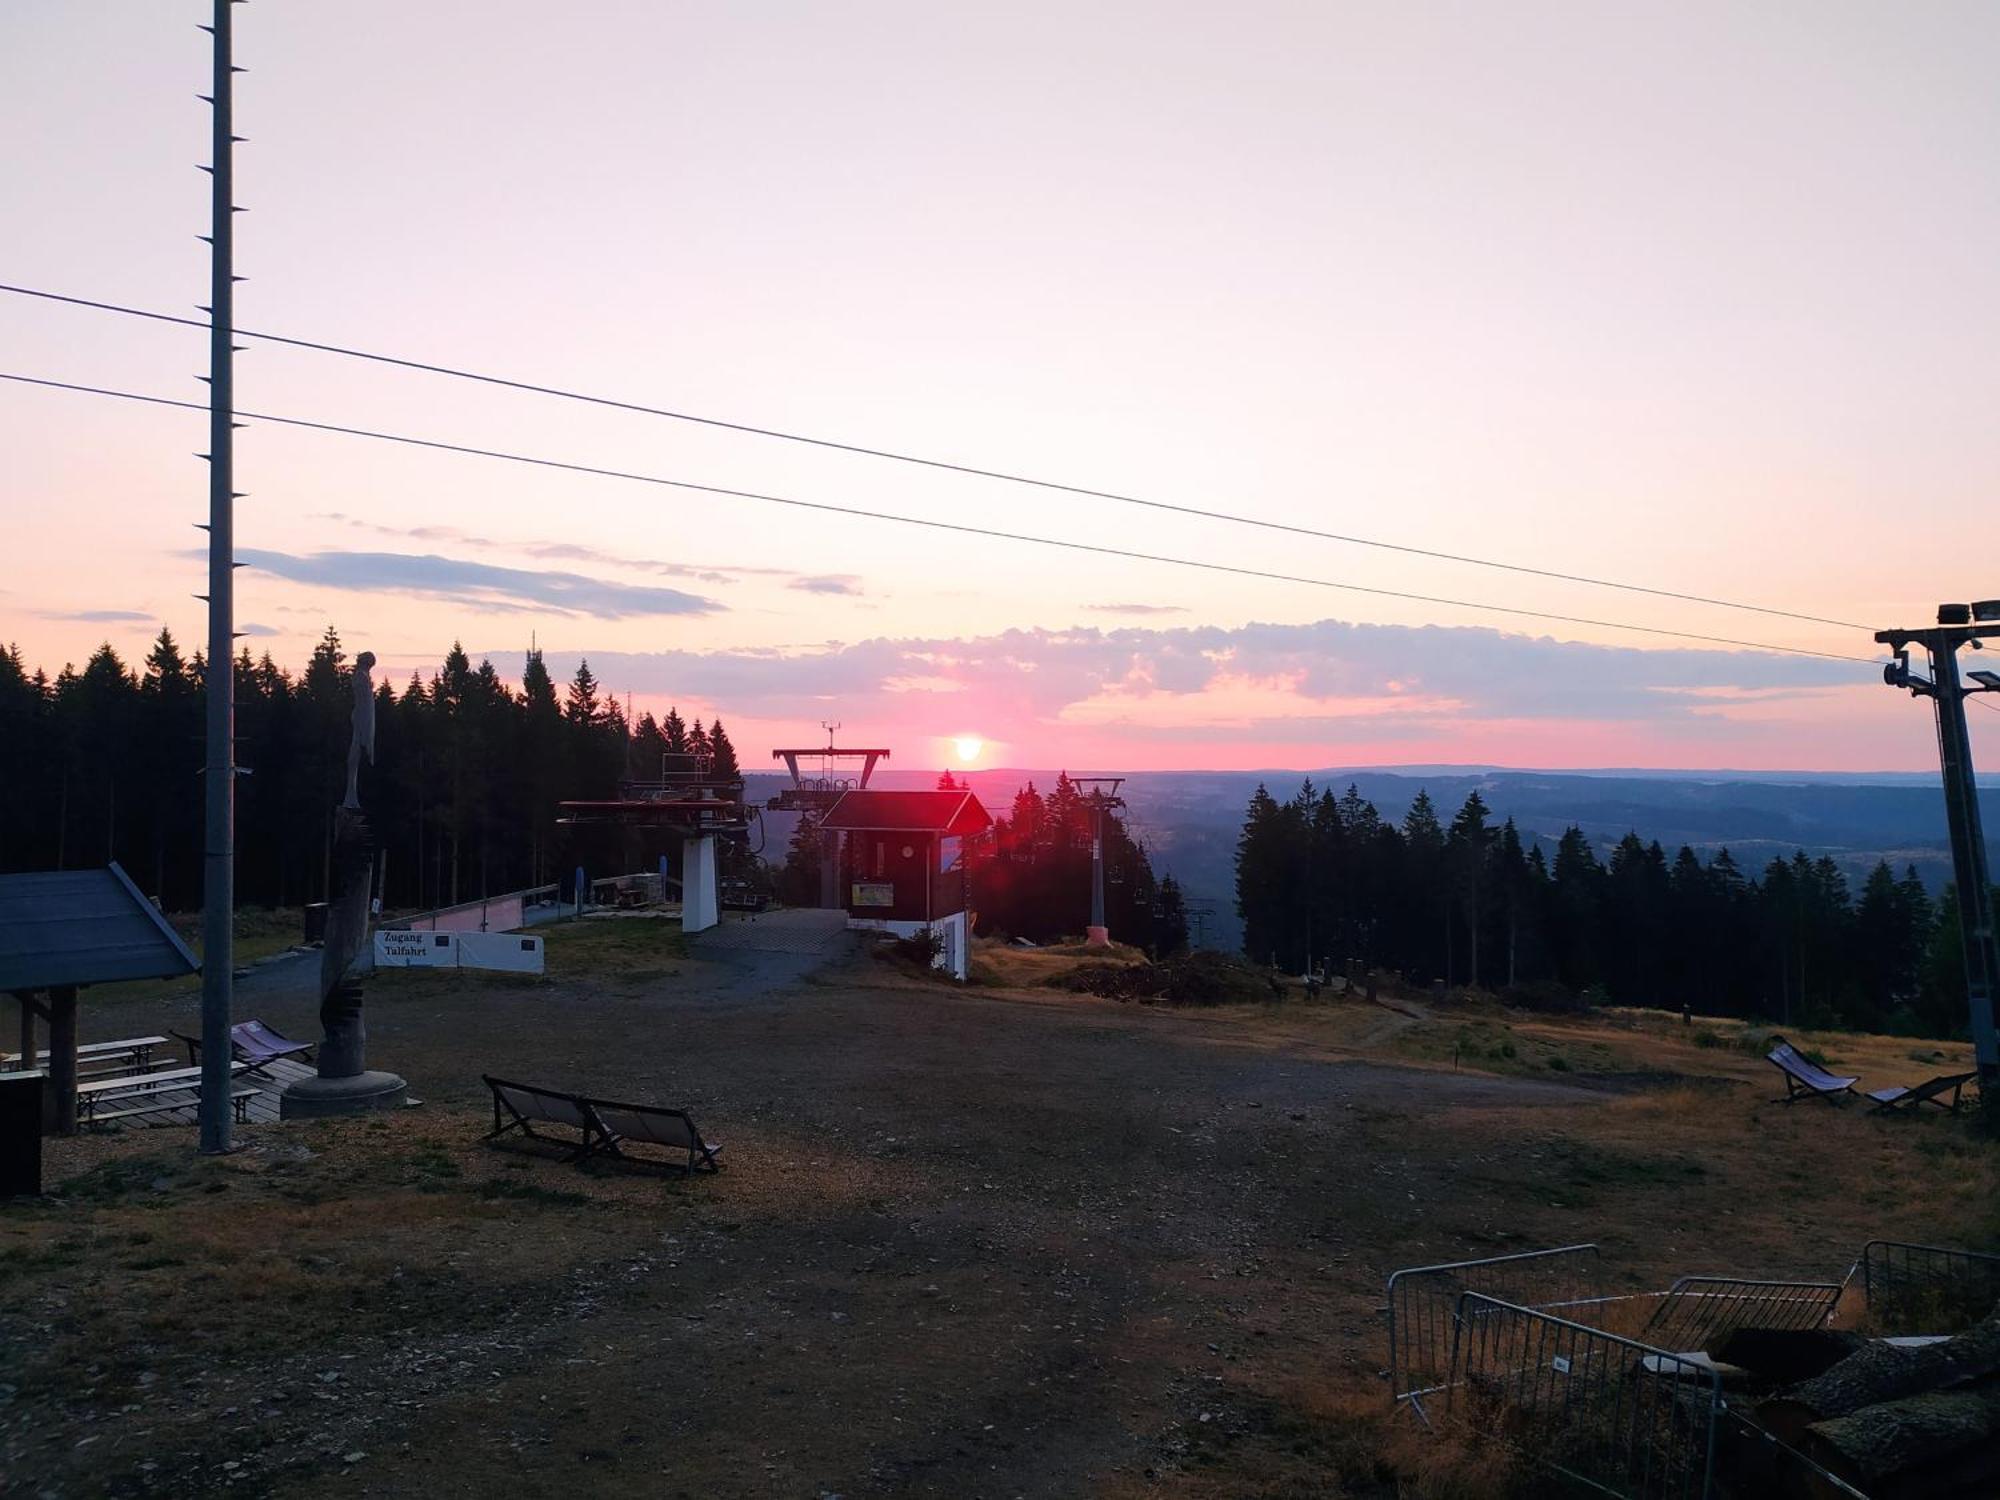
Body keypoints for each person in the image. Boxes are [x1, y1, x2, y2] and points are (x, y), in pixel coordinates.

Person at [343, 650, 376, 809]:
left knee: (356, 755)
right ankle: (350, 797)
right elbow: (363, 701)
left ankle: (352, 796)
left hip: (363, 718)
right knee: (354, 754)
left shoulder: (364, 677)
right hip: (361, 718)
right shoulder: (360, 677)